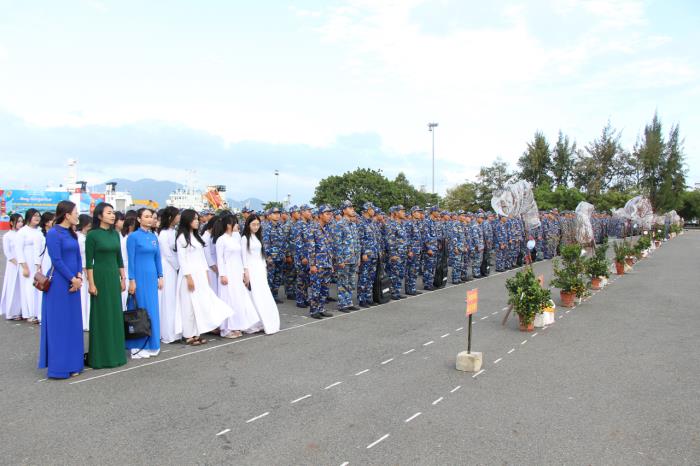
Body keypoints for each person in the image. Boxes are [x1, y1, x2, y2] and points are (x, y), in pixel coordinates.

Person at [38, 201, 84, 379]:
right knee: (60, 325)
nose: (78, 215)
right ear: (67, 215)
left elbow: (78, 257)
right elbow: (56, 260)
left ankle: (74, 364)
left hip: (74, 284)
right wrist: (72, 279)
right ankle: (59, 367)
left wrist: (79, 276)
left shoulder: (72, 233)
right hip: (59, 284)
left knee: (73, 324)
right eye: (75, 212)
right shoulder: (53, 233)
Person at [175, 209, 234, 345]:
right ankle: (188, 335)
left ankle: (196, 333)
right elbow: (182, 260)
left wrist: (206, 275)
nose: (197, 221)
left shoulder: (196, 237)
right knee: (189, 306)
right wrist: (188, 277)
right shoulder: (182, 238)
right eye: (194, 219)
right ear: (187, 221)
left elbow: (202, 259)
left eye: (197, 219)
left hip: (200, 274)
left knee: (200, 304)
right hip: (188, 275)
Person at [85, 203, 127, 369]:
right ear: (99, 216)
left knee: (115, 314)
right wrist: (91, 283)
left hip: (113, 277)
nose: (112, 215)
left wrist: (123, 278)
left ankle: (116, 354)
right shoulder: (92, 235)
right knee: (101, 315)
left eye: (113, 213)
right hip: (100, 277)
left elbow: (119, 258)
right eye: (109, 213)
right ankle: (100, 357)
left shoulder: (115, 234)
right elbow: (89, 262)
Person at [214, 213, 262, 336]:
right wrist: (222, 274)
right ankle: (226, 329)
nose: (237, 225)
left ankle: (236, 326)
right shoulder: (221, 239)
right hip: (227, 272)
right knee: (228, 299)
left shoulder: (235, 239)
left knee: (237, 300)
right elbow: (220, 259)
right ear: (228, 225)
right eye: (235, 223)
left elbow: (240, 257)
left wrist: (242, 272)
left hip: (236, 271)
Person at [126, 208, 163, 359]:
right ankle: (138, 346)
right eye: (146, 216)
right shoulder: (133, 237)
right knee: (139, 309)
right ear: (139, 219)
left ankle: (152, 344)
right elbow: (130, 260)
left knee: (152, 310)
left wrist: (160, 276)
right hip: (139, 278)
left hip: (152, 277)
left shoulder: (154, 237)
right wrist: (131, 280)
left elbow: (157, 258)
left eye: (151, 217)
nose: (150, 219)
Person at [241, 214, 280, 333]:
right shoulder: (244, 238)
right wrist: (245, 272)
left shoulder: (258, 237)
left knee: (263, 294)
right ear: (248, 225)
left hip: (260, 269)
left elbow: (261, 256)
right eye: (253, 224)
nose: (256, 227)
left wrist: (264, 269)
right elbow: (243, 257)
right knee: (254, 295)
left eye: (258, 224)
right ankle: (255, 322)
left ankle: (265, 321)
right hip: (251, 270)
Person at [15, 208, 43, 322]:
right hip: (27, 263)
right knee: (29, 288)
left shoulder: (40, 231)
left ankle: (38, 313)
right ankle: (30, 313)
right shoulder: (22, 232)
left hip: (38, 262)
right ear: (28, 217)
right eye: (34, 215)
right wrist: (24, 267)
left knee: (39, 287)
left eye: (38, 216)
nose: (37, 218)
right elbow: (18, 250)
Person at [158, 206, 181, 344]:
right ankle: (168, 332)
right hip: (167, 267)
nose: (179, 217)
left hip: (173, 266)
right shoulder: (164, 233)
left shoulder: (174, 231)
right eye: (177, 215)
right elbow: (167, 254)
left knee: (174, 298)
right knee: (168, 299)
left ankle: (176, 330)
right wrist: (178, 266)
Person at [308, 206, 335, 319]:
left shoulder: (328, 229)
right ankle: (314, 310)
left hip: (327, 263)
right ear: (320, 215)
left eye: (330, 214)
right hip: (318, 264)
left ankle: (321, 308)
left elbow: (330, 248)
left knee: (325, 289)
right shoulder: (313, 228)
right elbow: (311, 248)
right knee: (316, 288)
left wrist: (331, 263)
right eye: (327, 214)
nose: (330, 216)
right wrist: (312, 264)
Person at [334, 200, 360, 311]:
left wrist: (358, 257)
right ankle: (342, 304)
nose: (352, 209)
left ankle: (349, 302)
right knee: (343, 282)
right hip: (344, 259)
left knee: (351, 282)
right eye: (350, 208)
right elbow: (337, 243)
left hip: (353, 258)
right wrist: (340, 260)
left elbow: (357, 242)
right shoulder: (340, 224)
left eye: (352, 207)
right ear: (344, 210)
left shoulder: (353, 225)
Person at [1, 214, 24, 320]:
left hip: (23, 265)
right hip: (13, 266)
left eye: (21, 221)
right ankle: (11, 312)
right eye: (18, 221)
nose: (20, 223)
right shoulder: (7, 236)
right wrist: (18, 264)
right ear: (11, 222)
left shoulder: (22, 235)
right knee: (13, 287)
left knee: (22, 288)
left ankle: (22, 311)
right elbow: (8, 253)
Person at [36, 211, 56, 323]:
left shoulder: (54, 233)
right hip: (45, 263)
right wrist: (38, 266)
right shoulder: (41, 236)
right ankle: (41, 315)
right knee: (45, 286)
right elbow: (38, 252)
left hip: (53, 262)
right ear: (47, 223)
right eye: (53, 220)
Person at [77, 214, 92, 331]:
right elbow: (82, 256)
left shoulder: (85, 237)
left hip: (87, 269)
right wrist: (85, 270)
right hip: (83, 270)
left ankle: (87, 321)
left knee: (87, 297)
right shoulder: (79, 238)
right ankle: (83, 322)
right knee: (83, 297)